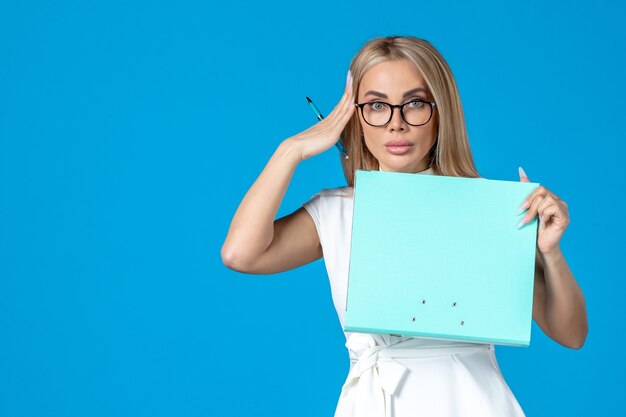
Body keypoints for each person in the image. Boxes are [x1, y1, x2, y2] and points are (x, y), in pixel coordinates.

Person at [221, 35, 588, 417]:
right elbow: (239, 253)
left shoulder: (486, 208)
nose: (396, 124)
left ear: (440, 111)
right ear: (355, 115)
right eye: (377, 106)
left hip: (473, 402)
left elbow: (571, 334)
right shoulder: (337, 211)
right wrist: (291, 150)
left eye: (414, 104)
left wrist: (550, 252)